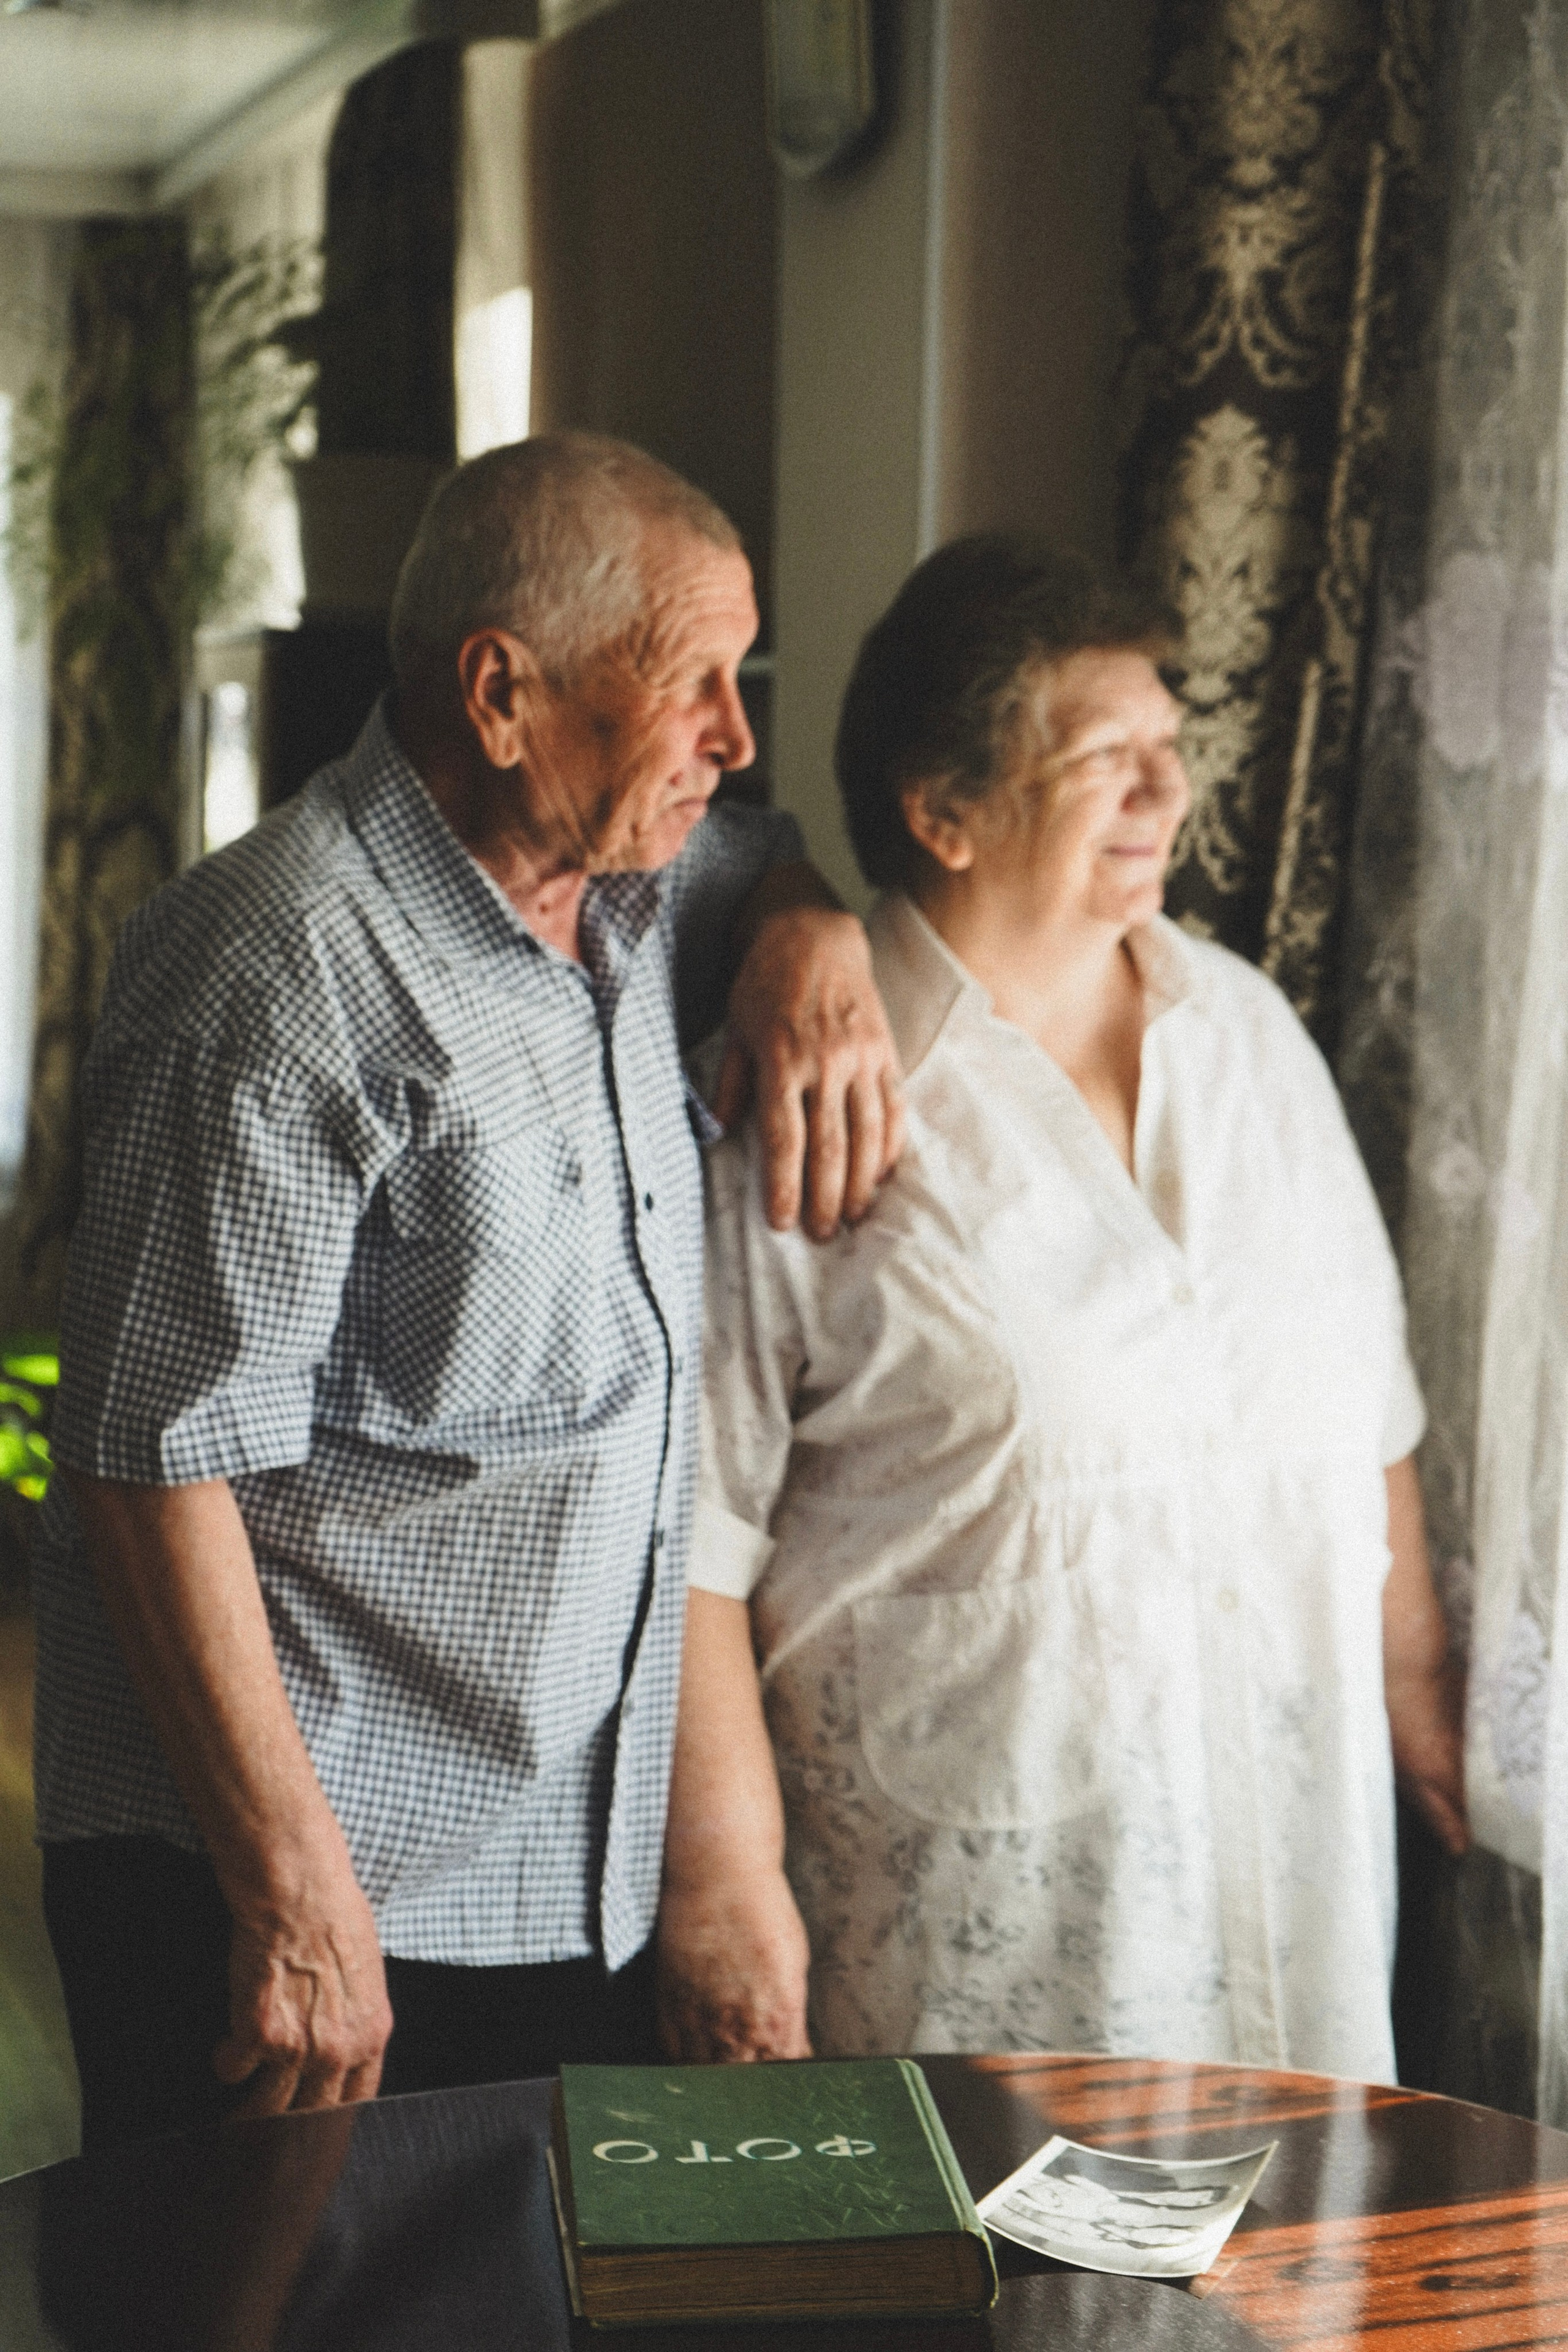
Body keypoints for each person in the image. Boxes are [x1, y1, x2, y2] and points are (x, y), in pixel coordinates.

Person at [32, 433, 902, 2152]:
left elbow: (769, 850)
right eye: (696, 686)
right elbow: (147, 1461)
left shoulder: (642, 886)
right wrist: (293, 1895)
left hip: (551, 1884)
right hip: (299, 1895)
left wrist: (818, 933)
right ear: (501, 695)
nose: (736, 738)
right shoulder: (274, 969)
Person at [657, 535, 1466, 2081]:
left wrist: (1418, 1690)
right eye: (1108, 760)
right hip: (985, 1938)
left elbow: (1368, 1409)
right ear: (940, 811)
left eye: (1171, 749)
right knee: (1020, 2316)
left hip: (1293, 1892)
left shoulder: (1247, 1037)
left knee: (1283, 2303)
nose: (1168, 797)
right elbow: (691, 1539)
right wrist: (725, 1884)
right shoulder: (808, 1094)